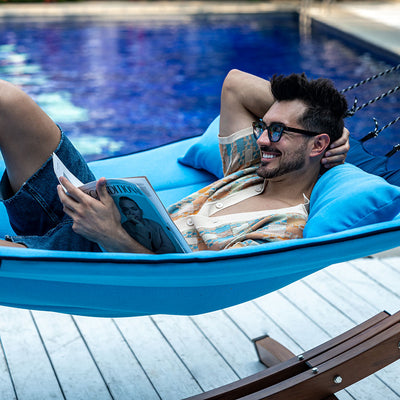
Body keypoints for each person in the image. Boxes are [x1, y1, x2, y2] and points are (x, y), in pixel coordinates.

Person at [0, 69, 349, 253]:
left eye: (275, 132)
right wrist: (333, 128)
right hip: (82, 206)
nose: (260, 139)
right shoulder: (248, 170)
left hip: (96, 255)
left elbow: (182, 281)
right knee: (6, 99)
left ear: (316, 146)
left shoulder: (278, 230)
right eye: (264, 127)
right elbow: (235, 85)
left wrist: (107, 233)